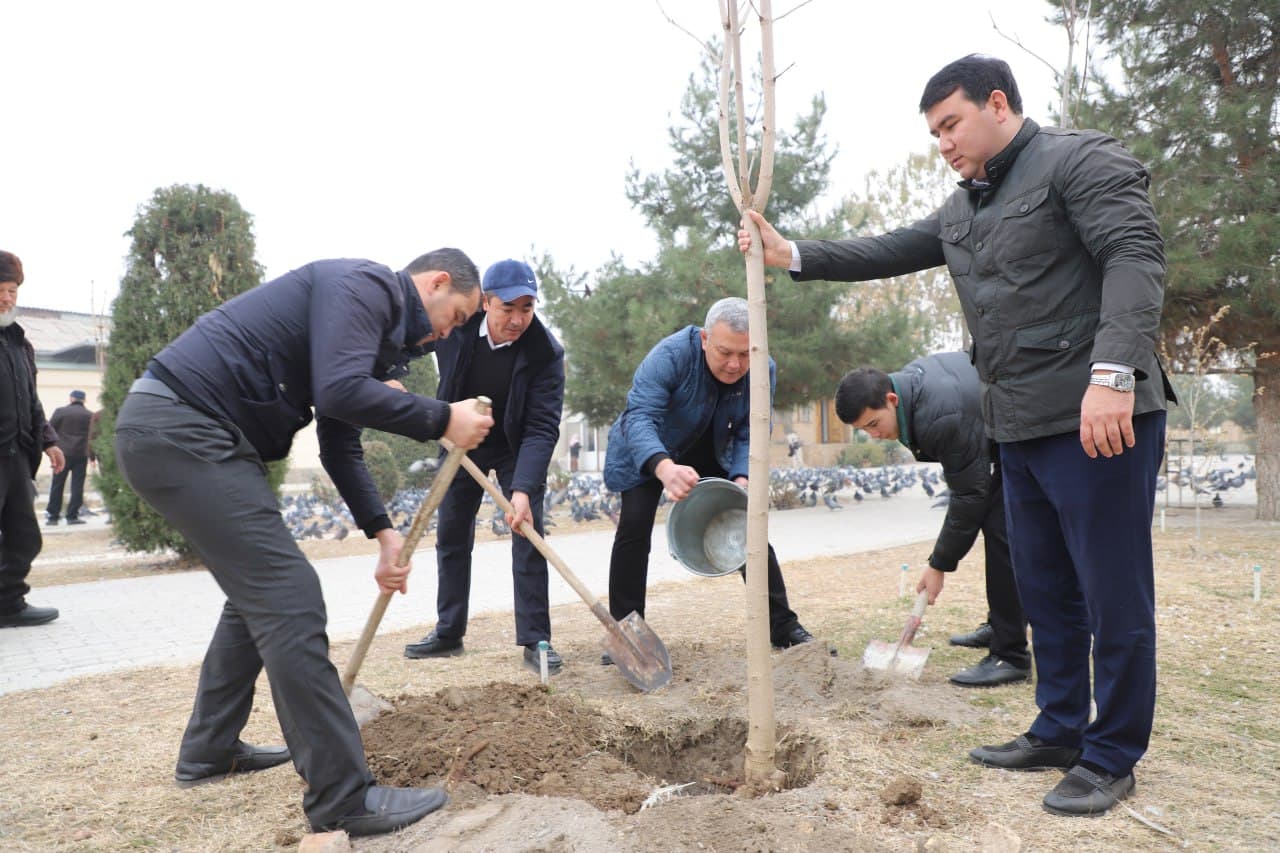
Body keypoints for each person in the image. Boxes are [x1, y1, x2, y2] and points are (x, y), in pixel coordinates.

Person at [740, 55, 1174, 817]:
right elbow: (890, 249)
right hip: (1018, 426)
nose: (941, 142)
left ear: (998, 104)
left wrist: (1115, 375)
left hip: (1098, 418)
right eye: (933, 130)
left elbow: (1134, 258)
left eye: (951, 123)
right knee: (1047, 591)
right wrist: (793, 255)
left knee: (1113, 593)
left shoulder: (1077, 161)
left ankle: (1112, 754)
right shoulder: (962, 208)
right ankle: (1060, 726)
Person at [113, 249, 494, 837]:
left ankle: (210, 750)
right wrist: (442, 416)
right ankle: (345, 799)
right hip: (184, 427)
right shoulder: (365, 285)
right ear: (436, 282)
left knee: (257, 595)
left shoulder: (369, 333)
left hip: (187, 433)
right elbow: (342, 392)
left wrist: (384, 534)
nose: (453, 331)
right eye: (460, 314)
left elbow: (340, 442)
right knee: (290, 598)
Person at [603, 297, 818, 656]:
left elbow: (753, 427)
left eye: (745, 354)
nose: (735, 364)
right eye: (724, 352)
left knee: (748, 526)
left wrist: (742, 476)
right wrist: (664, 467)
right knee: (634, 528)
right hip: (649, 448)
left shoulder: (763, 368)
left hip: (712, 449)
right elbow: (639, 416)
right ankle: (627, 633)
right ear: (704, 339)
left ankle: (781, 626)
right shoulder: (669, 357)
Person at [403, 260, 566, 674]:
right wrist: (390, 376)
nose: (517, 319)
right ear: (487, 302)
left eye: (527, 308)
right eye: (507, 308)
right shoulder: (457, 323)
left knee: (527, 532)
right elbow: (415, 339)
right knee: (453, 534)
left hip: (515, 446)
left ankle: (536, 639)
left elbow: (543, 427)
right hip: (461, 439)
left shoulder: (546, 353)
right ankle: (449, 632)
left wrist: (524, 490)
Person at [834, 354, 1030, 687]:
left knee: (1001, 534)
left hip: (1024, 433)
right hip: (996, 428)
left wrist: (938, 565)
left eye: (873, 424)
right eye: (863, 430)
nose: (874, 435)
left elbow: (969, 496)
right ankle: (1001, 624)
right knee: (995, 526)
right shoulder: (909, 387)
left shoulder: (939, 417)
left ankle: (1010, 655)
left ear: (891, 400)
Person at [0, 250, 65, 628]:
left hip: (17, 455)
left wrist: (49, 440)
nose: (6, 298)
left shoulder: (20, 343)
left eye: (12, 291)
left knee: (25, 536)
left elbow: (32, 399)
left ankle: (8, 604)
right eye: (0, 289)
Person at [46, 390, 94, 526]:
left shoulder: (60, 412)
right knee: (77, 485)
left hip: (62, 454)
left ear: (71, 398)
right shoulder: (89, 415)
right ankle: (72, 516)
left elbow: (50, 429)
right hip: (80, 454)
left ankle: (53, 517)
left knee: (57, 484)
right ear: (84, 400)